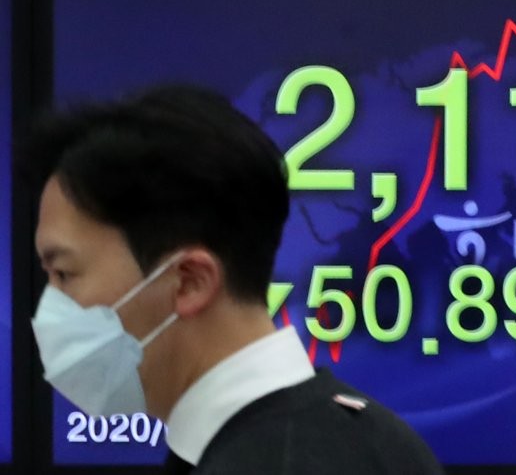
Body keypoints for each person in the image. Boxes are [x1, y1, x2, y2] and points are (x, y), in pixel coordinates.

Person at [28, 85, 444, 474]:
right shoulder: (377, 438)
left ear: (189, 281)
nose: (50, 308)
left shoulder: (272, 461)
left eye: (64, 274)